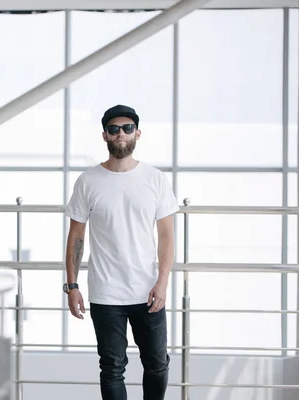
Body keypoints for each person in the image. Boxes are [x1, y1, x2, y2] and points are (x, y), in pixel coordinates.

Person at [63, 105, 178, 400]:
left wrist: (163, 282)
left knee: (157, 364)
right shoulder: (88, 181)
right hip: (106, 292)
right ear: (105, 136)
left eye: (127, 128)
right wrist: (72, 286)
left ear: (137, 133)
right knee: (112, 367)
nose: (121, 134)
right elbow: (76, 236)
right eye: (114, 129)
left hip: (148, 291)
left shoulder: (155, 179)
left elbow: (166, 235)